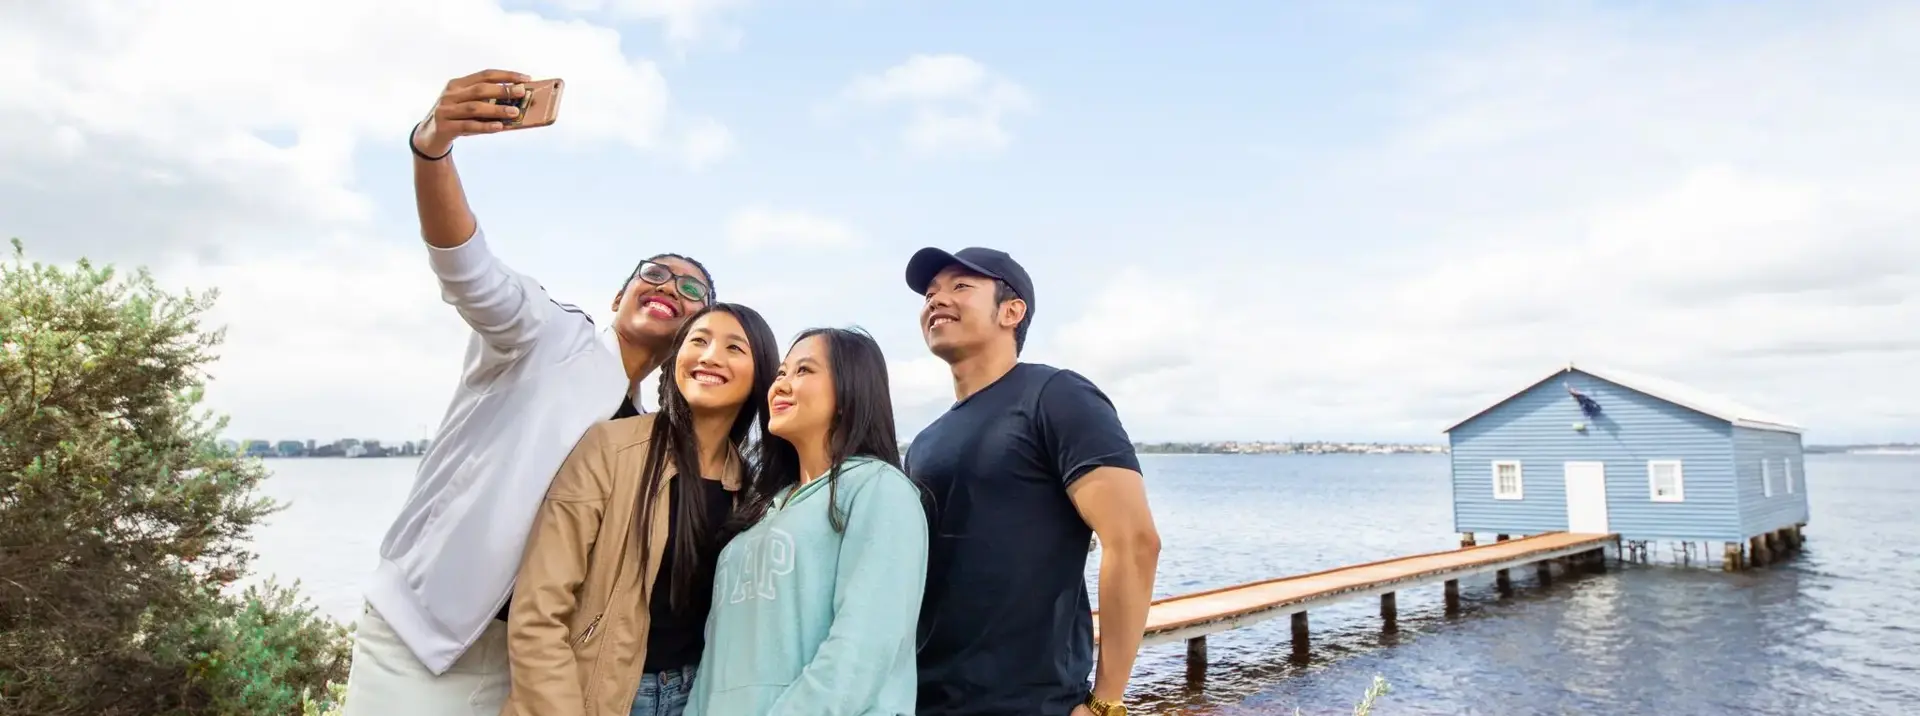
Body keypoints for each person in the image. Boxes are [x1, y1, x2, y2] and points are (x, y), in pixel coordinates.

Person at [340, 69, 720, 715]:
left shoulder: (645, 433)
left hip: (528, 659)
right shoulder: (547, 334)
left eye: (692, 292)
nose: (669, 288)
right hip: (419, 635)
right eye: (655, 274)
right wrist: (432, 147)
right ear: (619, 296)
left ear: (699, 330)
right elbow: (468, 271)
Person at [902, 248, 1163, 716]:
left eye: (960, 286)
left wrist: (1106, 702)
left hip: (1033, 702)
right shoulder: (924, 442)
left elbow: (1134, 541)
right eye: (930, 293)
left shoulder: (1057, 395)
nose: (936, 299)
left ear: (1011, 311)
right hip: (924, 700)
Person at [503, 303, 779, 716]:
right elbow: (538, 609)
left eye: (734, 348)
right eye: (698, 341)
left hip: (700, 695)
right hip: (599, 692)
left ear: (760, 373)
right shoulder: (610, 448)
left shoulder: (751, 488)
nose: (710, 356)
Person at [685, 327, 929, 716]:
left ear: (849, 393)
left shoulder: (879, 489)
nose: (780, 385)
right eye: (781, 373)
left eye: (803, 370)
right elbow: (714, 656)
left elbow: (863, 648)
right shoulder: (761, 508)